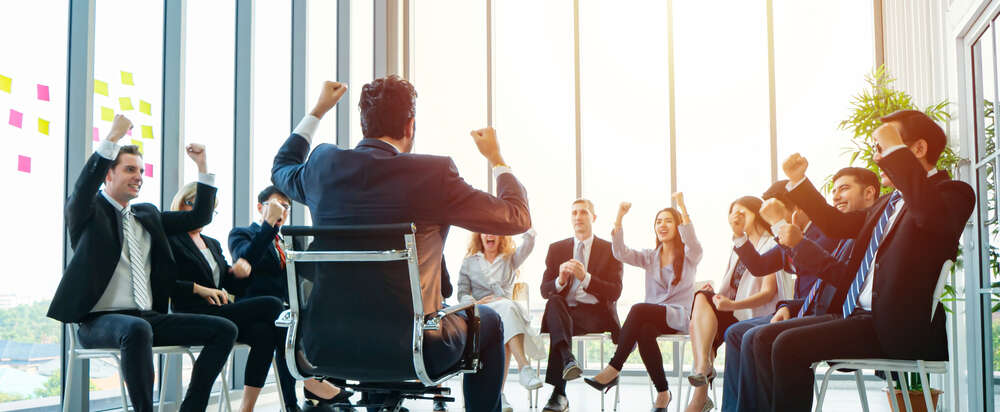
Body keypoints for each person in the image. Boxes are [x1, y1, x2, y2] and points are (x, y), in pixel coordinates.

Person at [271, 78, 532, 412]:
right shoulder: (433, 173)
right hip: (415, 348)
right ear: (410, 126)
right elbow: (517, 217)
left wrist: (318, 111)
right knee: (491, 321)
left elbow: (280, 168)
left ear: (364, 125)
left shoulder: (324, 165)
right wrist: (497, 159)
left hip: (324, 345)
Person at [765, 110, 975, 411]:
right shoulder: (886, 204)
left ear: (917, 149)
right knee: (764, 338)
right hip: (856, 317)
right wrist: (798, 181)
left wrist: (895, 153)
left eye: (884, 147)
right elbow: (836, 224)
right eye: (879, 149)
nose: (878, 158)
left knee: (787, 346)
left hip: (892, 326)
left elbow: (929, 217)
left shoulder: (954, 193)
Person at [48, 114, 237, 412]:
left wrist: (202, 167)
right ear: (108, 175)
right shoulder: (89, 212)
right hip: (98, 321)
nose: (139, 176)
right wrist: (112, 137)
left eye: (141, 170)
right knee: (136, 329)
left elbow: (199, 217)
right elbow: (83, 188)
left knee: (224, 329)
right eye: (129, 169)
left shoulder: (147, 216)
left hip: (147, 319)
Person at [719, 167, 879, 412]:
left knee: (754, 336)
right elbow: (760, 265)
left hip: (824, 313)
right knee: (736, 333)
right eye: (834, 191)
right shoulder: (806, 233)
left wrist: (781, 227)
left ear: (796, 208)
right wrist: (739, 236)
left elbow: (832, 276)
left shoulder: (832, 230)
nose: (835, 197)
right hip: (803, 308)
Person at [229, 186, 352, 412]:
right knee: (286, 325)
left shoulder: (288, 241)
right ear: (260, 208)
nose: (283, 211)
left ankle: (290, 405)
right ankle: (309, 384)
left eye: (286, 207)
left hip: (281, 313)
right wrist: (268, 227)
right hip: (253, 309)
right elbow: (247, 259)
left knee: (302, 324)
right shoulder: (242, 234)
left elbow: (306, 272)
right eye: (277, 206)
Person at [167, 182, 286, 412]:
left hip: (218, 311)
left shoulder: (212, 244)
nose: (205, 213)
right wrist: (199, 289)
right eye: (195, 205)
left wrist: (242, 272)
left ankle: (246, 409)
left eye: (212, 209)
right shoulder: (172, 240)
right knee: (273, 305)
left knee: (264, 333)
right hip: (192, 311)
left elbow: (232, 286)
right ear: (181, 204)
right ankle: (306, 378)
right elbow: (165, 283)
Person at [584, 192, 702, 411]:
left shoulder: (690, 254)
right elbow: (620, 252)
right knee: (645, 332)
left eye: (668, 221)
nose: (662, 225)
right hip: (653, 316)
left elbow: (693, 240)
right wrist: (619, 216)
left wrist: (683, 207)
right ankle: (663, 393)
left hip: (677, 315)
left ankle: (614, 367)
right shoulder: (651, 256)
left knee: (638, 309)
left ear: (678, 226)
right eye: (658, 222)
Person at [685, 196, 791, 412]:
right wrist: (716, 296)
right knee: (701, 299)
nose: (737, 218)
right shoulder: (738, 247)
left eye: (743, 213)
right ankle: (703, 367)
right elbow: (730, 287)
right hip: (736, 311)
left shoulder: (770, 244)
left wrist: (731, 305)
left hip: (757, 313)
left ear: (757, 213)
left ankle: (701, 393)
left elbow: (768, 292)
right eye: (733, 214)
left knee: (703, 324)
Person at [538, 199, 623, 412]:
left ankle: (559, 393)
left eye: (583, 212)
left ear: (593, 217)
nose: (578, 217)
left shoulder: (610, 249)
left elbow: (615, 291)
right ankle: (568, 360)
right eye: (574, 213)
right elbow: (544, 290)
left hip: (594, 314)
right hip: (563, 312)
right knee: (555, 301)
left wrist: (586, 278)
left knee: (559, 326)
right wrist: (560, 280)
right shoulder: (556, 248)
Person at [457, 228, 545, 411]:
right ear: (479, 236)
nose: (489, 235)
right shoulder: (469, 262)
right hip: (481, 312)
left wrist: (523, 219)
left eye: (494, 231)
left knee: (505, 314)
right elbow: (462, 294)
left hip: (505, 313)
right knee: (508, 308)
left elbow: (528, 244)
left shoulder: (510, 258)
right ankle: (523, 368)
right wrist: (476, 302)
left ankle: (499, 394)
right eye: (485, 231)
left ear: (501, 236)